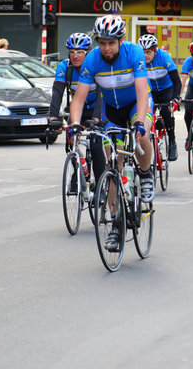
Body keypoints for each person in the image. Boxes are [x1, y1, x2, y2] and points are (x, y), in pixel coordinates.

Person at [69, 15, 155, 250]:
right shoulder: (92, 61)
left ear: (120, 40)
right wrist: (75, 125)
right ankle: (116, 224)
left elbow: (141, 92)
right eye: (102, 43)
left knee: (142, 135)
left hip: (137, 105)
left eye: (111, 43)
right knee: (112, 166)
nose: (106, 49)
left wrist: (138, 121)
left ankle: (146, 174)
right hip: (112, 111)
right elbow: (79, 98)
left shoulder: (134, 53)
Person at [48, 33, 105, 184]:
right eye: (72, 51)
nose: (75, 56)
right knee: (70, 141)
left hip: (98, 109)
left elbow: (101, 95)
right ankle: (79, 172)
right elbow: (57, 93)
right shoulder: (65, 67)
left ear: (87, 52)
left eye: (80, 52)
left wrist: (96, 118)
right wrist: (53, 117)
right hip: (77, 110)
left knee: (95, 144)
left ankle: (99, 182)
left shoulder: (96, 66)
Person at [139, 33, 181, 161]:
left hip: (166, 88)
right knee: (146, 114)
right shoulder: (139, 59)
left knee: (165, 111)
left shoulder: (164, 57)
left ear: (155, 50)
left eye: (148, 52)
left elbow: (176, 80)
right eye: (143, 52)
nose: (145, 55)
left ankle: (172, 142)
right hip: (151, 91)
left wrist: (175, 98)